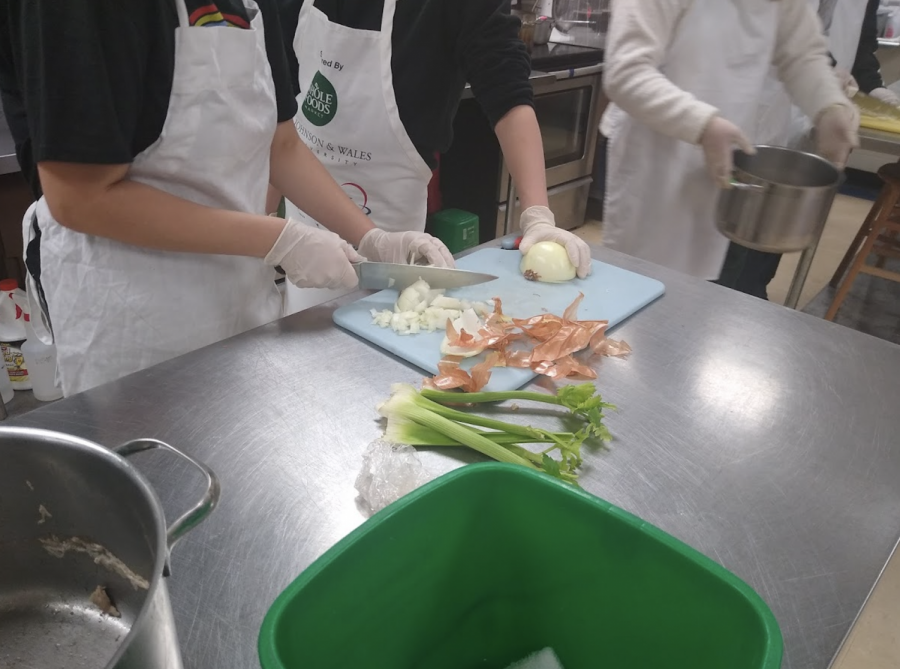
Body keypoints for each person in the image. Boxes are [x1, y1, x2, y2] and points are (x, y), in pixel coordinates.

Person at [0, 0, 452, 396]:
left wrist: (372, 238)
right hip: (131, 322)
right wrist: (281, 239)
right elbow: (80, 197)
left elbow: (282, 144)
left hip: (237, 298)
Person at [272, 0, 593, 313]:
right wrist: (261, 233)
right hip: (303, 228)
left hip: (395, 244)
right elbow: (278, 125)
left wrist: (537, 214)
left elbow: (506, 85)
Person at [601, 0, 860, 285]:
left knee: (708, 289)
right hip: (655, 163)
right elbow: (626, 72)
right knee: (640, 283)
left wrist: (827, 106)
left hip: (729, 163)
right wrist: (703, 125)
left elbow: (801, 55)